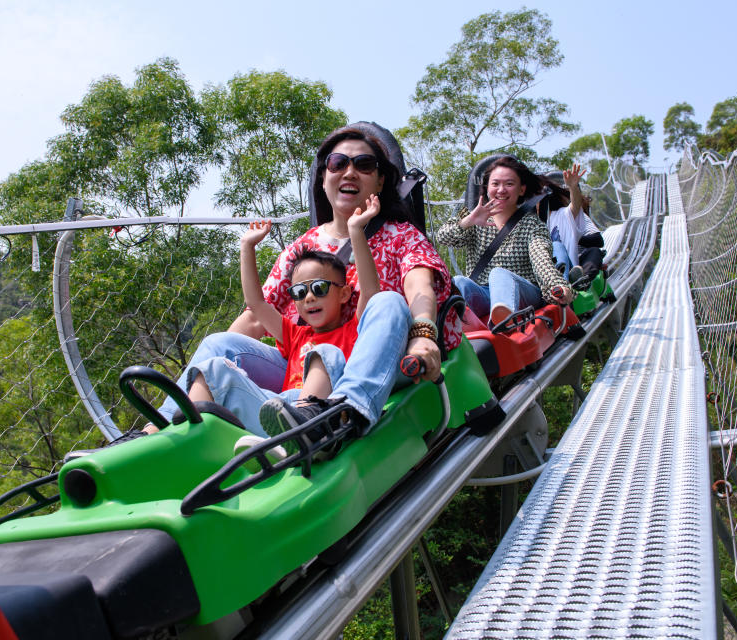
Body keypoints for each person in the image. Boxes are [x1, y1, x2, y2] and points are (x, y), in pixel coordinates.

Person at [153, 126, 460, 446]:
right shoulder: (301, 248)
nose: (349, 172)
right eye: (338, 163)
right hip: (307, 363)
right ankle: (159, 433)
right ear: (324, 177)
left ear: (381, 181)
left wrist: (423, 336)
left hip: (375, 355)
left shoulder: (401, 235)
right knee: (218, 346)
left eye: (364, 165)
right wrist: (223, 372)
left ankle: (345, 413)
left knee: (387, 301)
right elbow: (258, 313)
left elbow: (419, 286)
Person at [435, 156, 574, 328]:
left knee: (499, 274)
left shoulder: (531, 225)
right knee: (460, 282)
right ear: (487, 188)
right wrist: (468, 221)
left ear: (521, 190)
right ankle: (453, 331)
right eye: (495, 184)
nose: (501, 190)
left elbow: (541, 258)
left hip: (522, 290)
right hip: (484, 293)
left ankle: (504, 323)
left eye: (509, 184)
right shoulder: (475, 219)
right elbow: (442, 238)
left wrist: (556, 285)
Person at [540, 163, 604, 290]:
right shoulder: (531, 223)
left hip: (569, 262)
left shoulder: (563, 214)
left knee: (560, 247)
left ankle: (577, 280)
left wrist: (573, 187)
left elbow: (575, 206)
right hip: (546, 268)